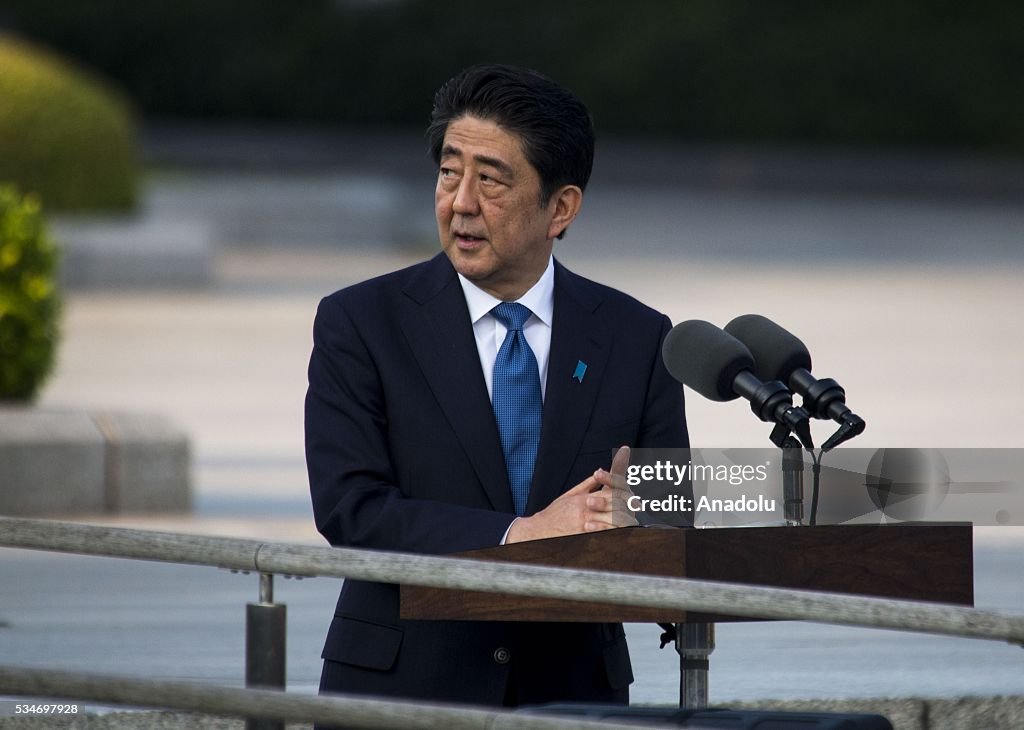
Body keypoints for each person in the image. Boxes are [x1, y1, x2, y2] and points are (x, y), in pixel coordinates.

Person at [305, 63, 689, 710]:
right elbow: (352, 508)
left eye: (491, 180)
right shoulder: (363, 322)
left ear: (560, 208)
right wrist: (522, 534)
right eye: (450, 172)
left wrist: (636, 523)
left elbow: (672, 521)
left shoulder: (637, 337)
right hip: (402, 690)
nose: (460, 202)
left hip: (572, 696)